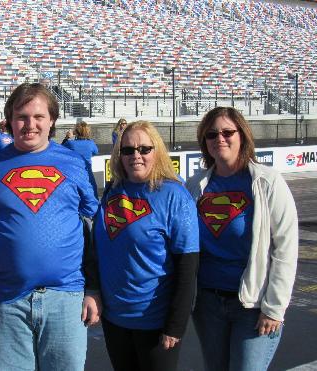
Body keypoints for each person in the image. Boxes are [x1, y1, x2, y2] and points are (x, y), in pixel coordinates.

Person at [0, 83, 101, 371]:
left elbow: (94, 230)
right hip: (6, 301)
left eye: (38, 117)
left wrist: (93, 288)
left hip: (66, 298)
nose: (30, 124)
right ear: (9, 121)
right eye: (22, 117)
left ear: (51, 120)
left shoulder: (74, 163)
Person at [186, 107, 298, 371]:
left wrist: (274, 308)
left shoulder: (267, 182)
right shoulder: (195, 185)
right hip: (207, 303)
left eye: (227, 132)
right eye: (212, 134)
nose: (219, 139)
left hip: (252, 304)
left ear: (243, 136)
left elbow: (286, 248)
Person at [94, 120, 199, 371]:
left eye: (144, 149)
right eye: (128, 150)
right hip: (114, 318)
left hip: (154, 321)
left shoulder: (174, 195)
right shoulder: (113, 190)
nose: (135, 156)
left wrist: (175, 325)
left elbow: (188, 266)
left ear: (157, 151)